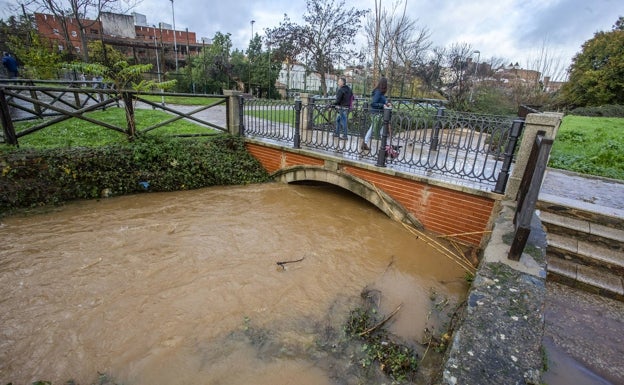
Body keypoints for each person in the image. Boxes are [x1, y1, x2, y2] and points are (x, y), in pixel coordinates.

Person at [361, 77, 391, 151]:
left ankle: (385, 144)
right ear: (384, 85)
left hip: (378, 113)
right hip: (376, 113)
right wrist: (383, 105)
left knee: (378, 128)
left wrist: (386, 103)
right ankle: (384, 145)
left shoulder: (380, 92)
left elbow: (380, 101)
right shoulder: (378, 92)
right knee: (375, 128)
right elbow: (373, 103)